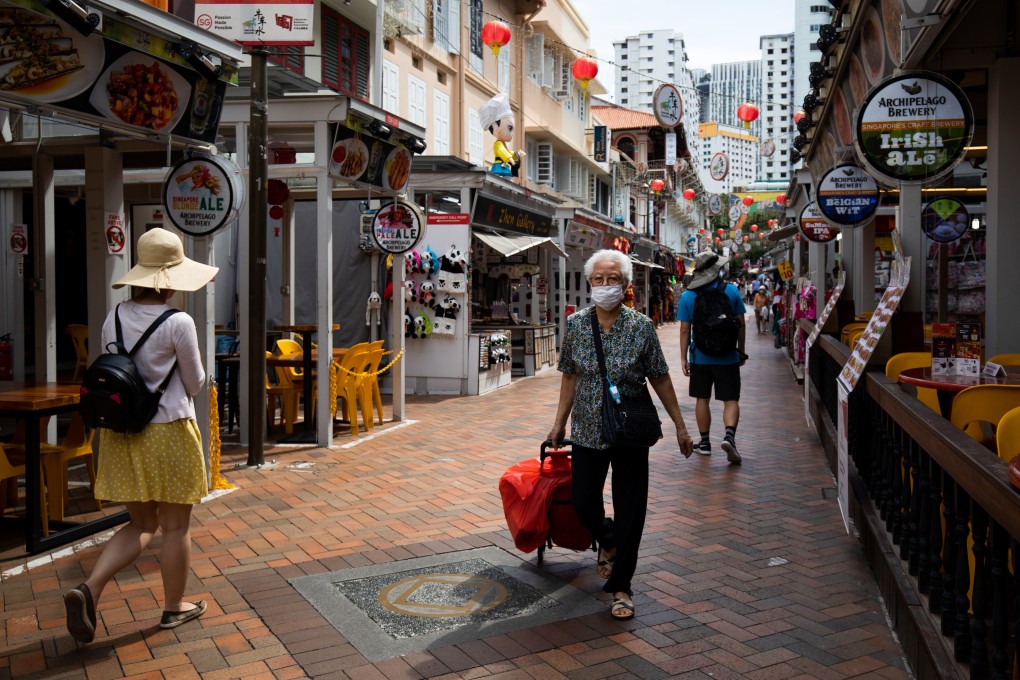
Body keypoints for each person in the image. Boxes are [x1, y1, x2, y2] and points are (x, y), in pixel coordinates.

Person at [64, 228, 218, 644]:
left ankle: (90, 587)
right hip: (168, 432)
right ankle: (173, 607)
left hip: (123, 433)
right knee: (174, 527)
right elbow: (194, 383)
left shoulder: (113, 315)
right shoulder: (179, 321)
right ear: (170, 279)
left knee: (139, 522)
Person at [548, 249, 694, 621]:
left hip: (630, 427)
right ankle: (608, 538)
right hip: (587, 427)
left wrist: (679, 424)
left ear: (626, 285)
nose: (605, 285)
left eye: (613, 279)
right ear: (589, 284)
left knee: (632, 508)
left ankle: (622, 587)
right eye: (598, 279)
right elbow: (569, 375)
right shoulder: (578, 324)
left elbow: (659, 377)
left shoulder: (641, 326)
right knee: (582, 501)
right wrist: (558, 422)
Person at [679, 251, 747, 464]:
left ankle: (705, 443)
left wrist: (684, 358)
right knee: (731, 399)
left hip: (701, 356)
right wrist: (740, 350)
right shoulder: (732, 291)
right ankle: (729, 436)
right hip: (727, 356)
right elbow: (741, 324)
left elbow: (684, 330)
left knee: (702, 398)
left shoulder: (688, 295)